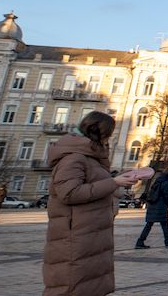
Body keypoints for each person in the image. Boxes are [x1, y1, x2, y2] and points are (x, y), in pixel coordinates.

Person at [43, 111, 144, 295]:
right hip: (75, 236)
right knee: (71, 286)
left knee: (88, 286)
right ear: (98, 132)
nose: (109, 139)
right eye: (108, 134)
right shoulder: (73, 158)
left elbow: (92, 184)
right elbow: (70, 193)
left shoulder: (90, 158)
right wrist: (113, 182)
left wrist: (117, 179)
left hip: (89, 234)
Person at [135, 168, 168, 248]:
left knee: (150, 224)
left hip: (153, 204)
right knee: (164, 223)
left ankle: (140, 241)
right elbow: (166, 195)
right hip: (160, 205)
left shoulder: (157, 180)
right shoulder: (166, 182)